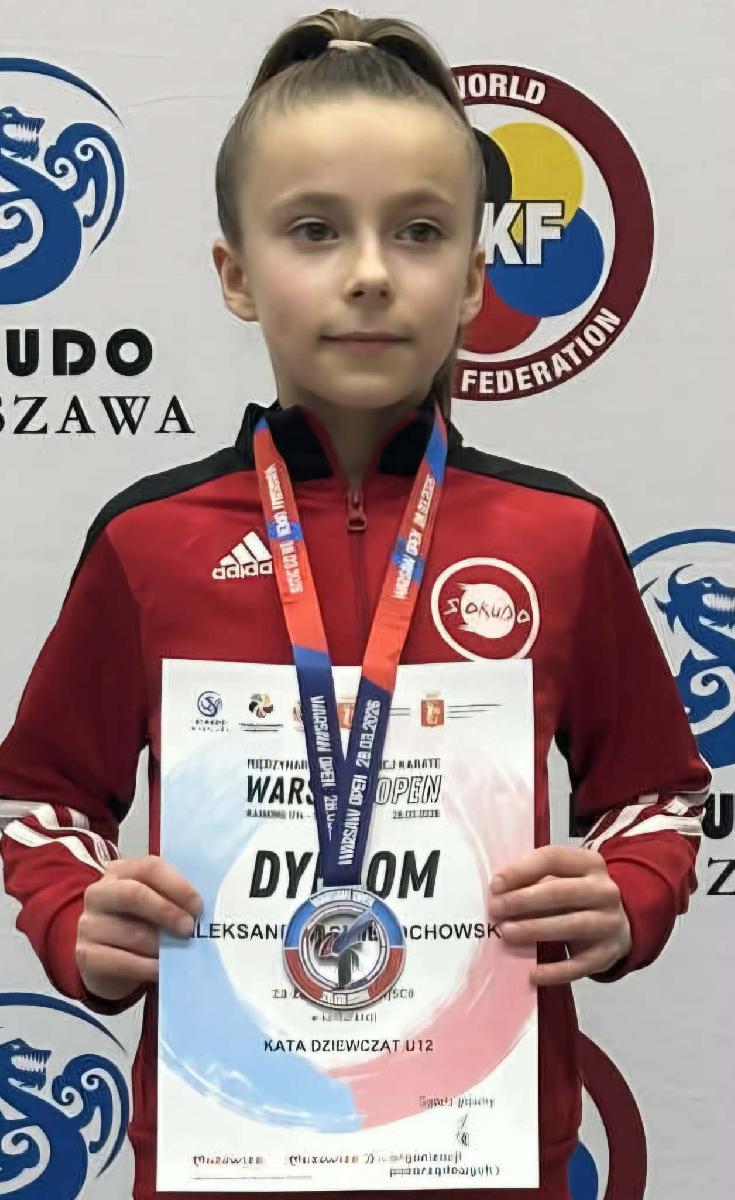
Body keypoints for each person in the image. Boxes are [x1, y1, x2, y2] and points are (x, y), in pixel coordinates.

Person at [0, 8, 711, 1200]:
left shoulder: (560, 536)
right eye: (315, 230)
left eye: (420, 232)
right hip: (225, 1152)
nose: (372, 272)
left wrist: (627, 892)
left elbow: (660, 795)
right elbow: (41, 796)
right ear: (237, 276)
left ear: (474, 281)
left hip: (481, 1154)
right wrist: (77, 913)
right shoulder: (149, 540)